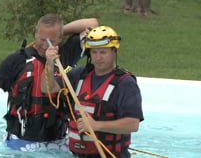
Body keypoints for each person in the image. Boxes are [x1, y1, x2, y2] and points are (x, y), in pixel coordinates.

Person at [0, 14, 99, 151]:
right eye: (41, 39)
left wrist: (60, 30)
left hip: (58, 142)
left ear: (60, 39)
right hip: (20, 142)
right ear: (35, 34)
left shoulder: (67, 54)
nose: (44, 45)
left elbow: (93, 24)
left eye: (51, 41)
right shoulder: (18, 59)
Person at [42, 26, 144, 157]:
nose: (98, 57)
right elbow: (47, 89)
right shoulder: (79, 75)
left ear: (114, 51)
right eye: (94, 52)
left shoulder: (125, 84)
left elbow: (132, 124)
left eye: (103, 52)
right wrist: (49, 64)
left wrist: (96, 125)